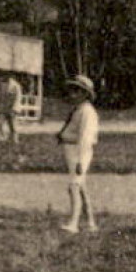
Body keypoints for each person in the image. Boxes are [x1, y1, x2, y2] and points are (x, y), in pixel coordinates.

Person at [57, 74, 100, 234]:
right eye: (71, 91)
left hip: (79, 152)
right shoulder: (79, 110)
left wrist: (81, 161)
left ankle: (74, 223)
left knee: (74, 186)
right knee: (80, 186)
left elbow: (85, 139)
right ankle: (90, 222)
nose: (71, 94)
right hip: (71, 151)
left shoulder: (87, 113)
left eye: (76, 91)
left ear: (84, 94)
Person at [0, 71, 22, 144]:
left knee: (12, 125)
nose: (4, 76)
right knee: (0, 124)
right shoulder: (2, 84)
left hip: (12, 109)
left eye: (6, 75)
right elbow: (1, 98)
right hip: (4, 108)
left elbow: (17, 98)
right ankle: (2, 139)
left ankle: (14, 140)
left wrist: (14, 109)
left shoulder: (15, 85)